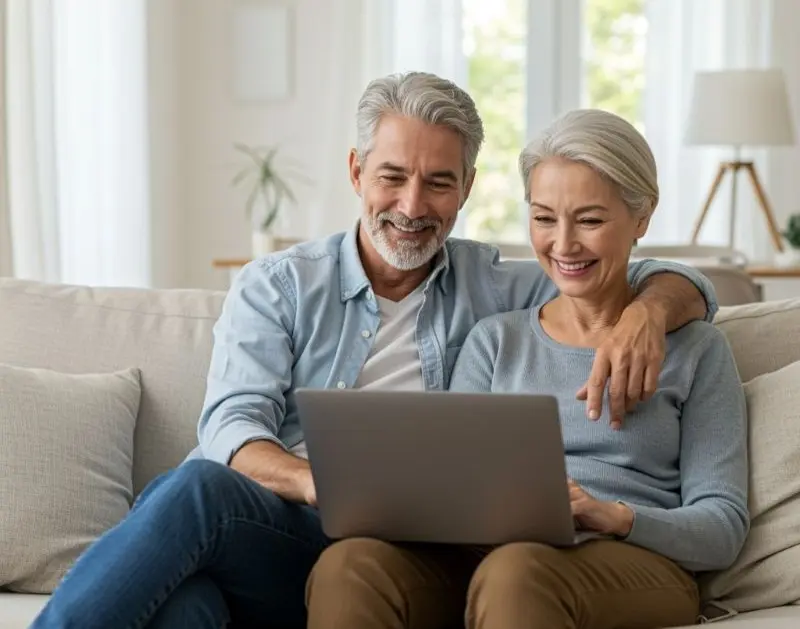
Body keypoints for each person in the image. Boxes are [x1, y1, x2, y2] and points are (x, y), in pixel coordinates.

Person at [32, 75, 719, 629]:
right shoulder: (279, 285)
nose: (412, 206)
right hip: (280, 525)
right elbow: (230, 427)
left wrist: (651, 312)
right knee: (191, 525)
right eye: (392, 176)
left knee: (192, 586)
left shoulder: (500, 288)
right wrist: (318, 482)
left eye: (439, 182)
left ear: (467, 189)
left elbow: (622, 269)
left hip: (388, 553)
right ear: (357, 171)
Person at [304, 108, 749, 629]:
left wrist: (614, 516)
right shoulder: (495, 341)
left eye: (590, 220)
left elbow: (722, 527)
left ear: (642, 217)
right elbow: (453, 483)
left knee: (516, 574)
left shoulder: (697, 350)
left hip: (633, 560)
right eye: (543, 218)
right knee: (350, 566)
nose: (564, 244)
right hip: (494, 556)